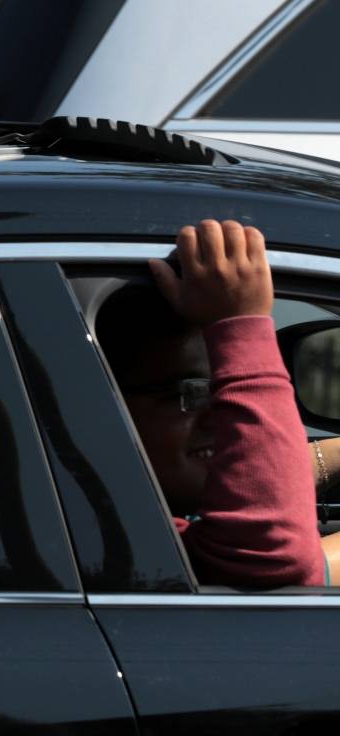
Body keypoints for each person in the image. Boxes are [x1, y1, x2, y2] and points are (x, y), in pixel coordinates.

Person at [96, 219, 325, 588]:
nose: (219, 417)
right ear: (103, 407)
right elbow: (272, 556)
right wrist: (241, 325)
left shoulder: (81, 527)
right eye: (184, 393)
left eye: (217, 389)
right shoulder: (111, 536)